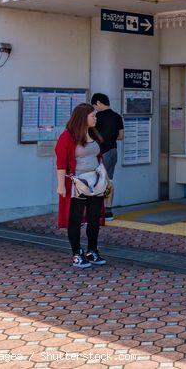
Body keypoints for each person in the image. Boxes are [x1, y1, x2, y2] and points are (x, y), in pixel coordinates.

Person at [55, 103, 107, 269]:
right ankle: (77, 253)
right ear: (83, 117)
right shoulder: (67, 137)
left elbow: (99, 158)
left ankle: (92, 250)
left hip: (95, 182)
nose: (95, 118)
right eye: (93, 116)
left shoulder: (92, 134)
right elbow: (61, 163)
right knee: (75, 219)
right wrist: (61, 186)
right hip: (77, 184)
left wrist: (106, 178)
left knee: (94, 219)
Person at [90, 93, 123, 221]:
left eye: (94, 106)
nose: (94, 109)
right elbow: (121, 136)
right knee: (110, 180)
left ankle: (98, 211)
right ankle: (109, 211)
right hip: (113, 151)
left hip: (101, 152)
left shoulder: (97, 118)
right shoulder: (117, 116)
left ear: (98, 103)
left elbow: (92, 136)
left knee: (98, 181)